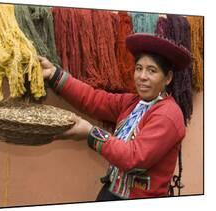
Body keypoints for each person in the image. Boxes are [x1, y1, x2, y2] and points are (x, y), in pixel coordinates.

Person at [38, 33, 192, 200]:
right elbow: (93, 99)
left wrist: (91, 133)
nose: (142, 77)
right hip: (112, 191)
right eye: (139, 68)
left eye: (152, 70)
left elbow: (133, 157)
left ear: (167, 77)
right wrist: (54, 74)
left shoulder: (168, 114)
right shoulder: (132, 103)